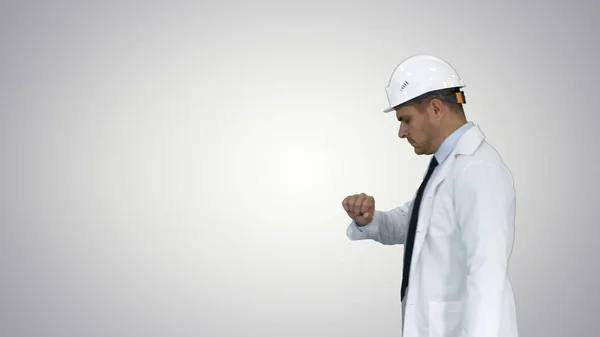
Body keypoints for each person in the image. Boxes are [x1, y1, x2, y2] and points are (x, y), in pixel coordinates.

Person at [342, 54, 519, 337]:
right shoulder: (447, 167)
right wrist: (369, 219)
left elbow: (488, 275)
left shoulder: (478, 170)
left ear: (436, 108)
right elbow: (414, 224)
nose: (401, 132)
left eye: (406, 119)